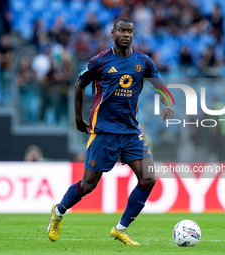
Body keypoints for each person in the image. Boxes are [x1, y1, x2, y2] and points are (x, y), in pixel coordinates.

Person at [47, 17, 174, 245]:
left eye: (130, 31)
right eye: (122, 31)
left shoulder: (143, 62)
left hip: (131, 131)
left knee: (148, 179)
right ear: (113, 33)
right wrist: (78, 118)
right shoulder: (101, 61)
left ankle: (121, 228)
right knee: (88, 185)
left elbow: (160, 85)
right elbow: (79, 84)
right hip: (104, 132)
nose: (126, 34)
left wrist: (169, 104)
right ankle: (59, 211)